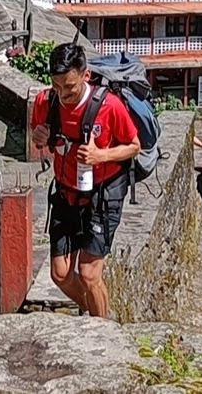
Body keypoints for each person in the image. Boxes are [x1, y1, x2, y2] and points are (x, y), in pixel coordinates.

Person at [30, 43, 140, 319]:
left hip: (103, 193)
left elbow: (134, 146)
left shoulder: (109, 107)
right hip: (66, 193)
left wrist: (101, 155)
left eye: (69, 86)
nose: (63, 94)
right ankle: (95, 316)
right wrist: (39, 138)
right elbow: (38, 136)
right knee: (60, 274)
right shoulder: (46, 102)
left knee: (89, 274)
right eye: (56, 86)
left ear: (85, 75)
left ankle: (101, 330)